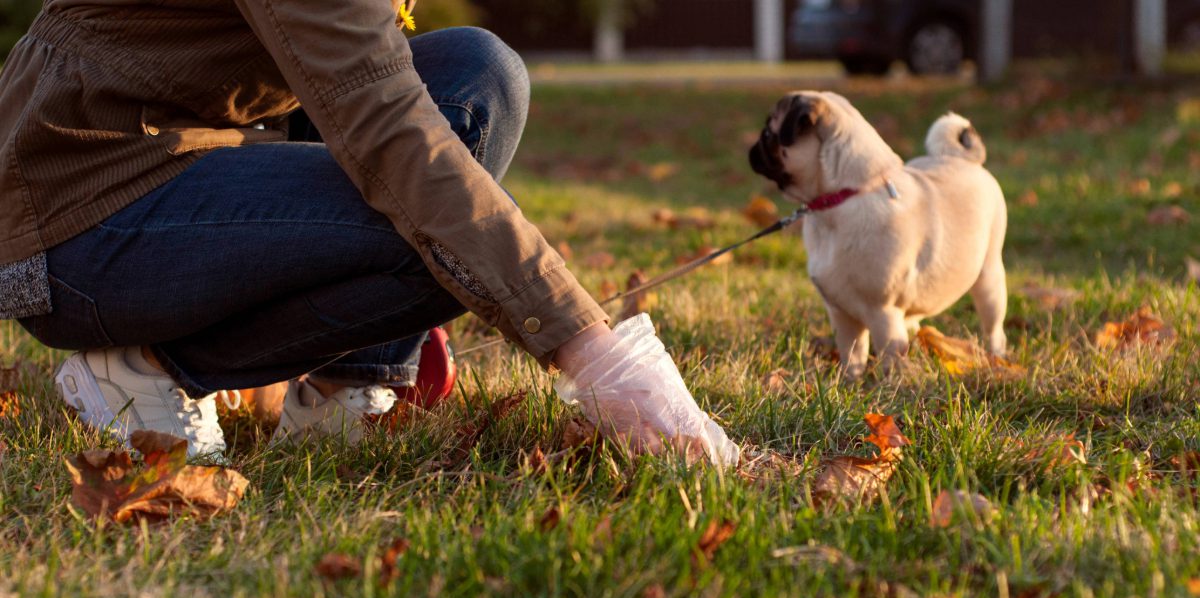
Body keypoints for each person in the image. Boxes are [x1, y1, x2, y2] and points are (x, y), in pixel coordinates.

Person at [0, 0, 739, 466]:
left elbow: (342, 74)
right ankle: (151, 367)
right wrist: (594, 353)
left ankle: (342, 387)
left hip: (187, 150)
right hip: (76, 210)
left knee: (477, 74)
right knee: (440, 237)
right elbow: (390, 132)